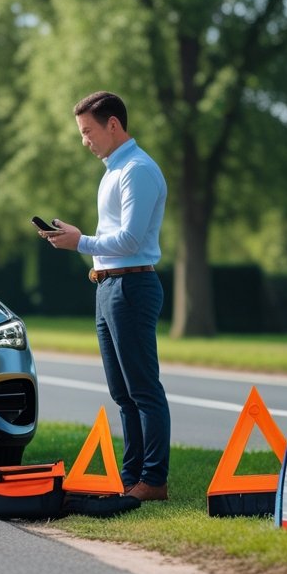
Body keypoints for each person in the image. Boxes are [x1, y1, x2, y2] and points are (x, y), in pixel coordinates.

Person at [38, 91, 171, 502]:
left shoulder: (137, 170)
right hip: (109, 285)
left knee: (143, 390)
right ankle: (133, 479)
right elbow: (113, 237)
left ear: (113, 125)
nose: (84, 141)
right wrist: (83, 243)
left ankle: (154, 480)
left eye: (88, 131)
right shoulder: (113, 170)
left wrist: (80, 242)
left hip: (131, 286)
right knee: (122, 393)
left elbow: (131, 239)